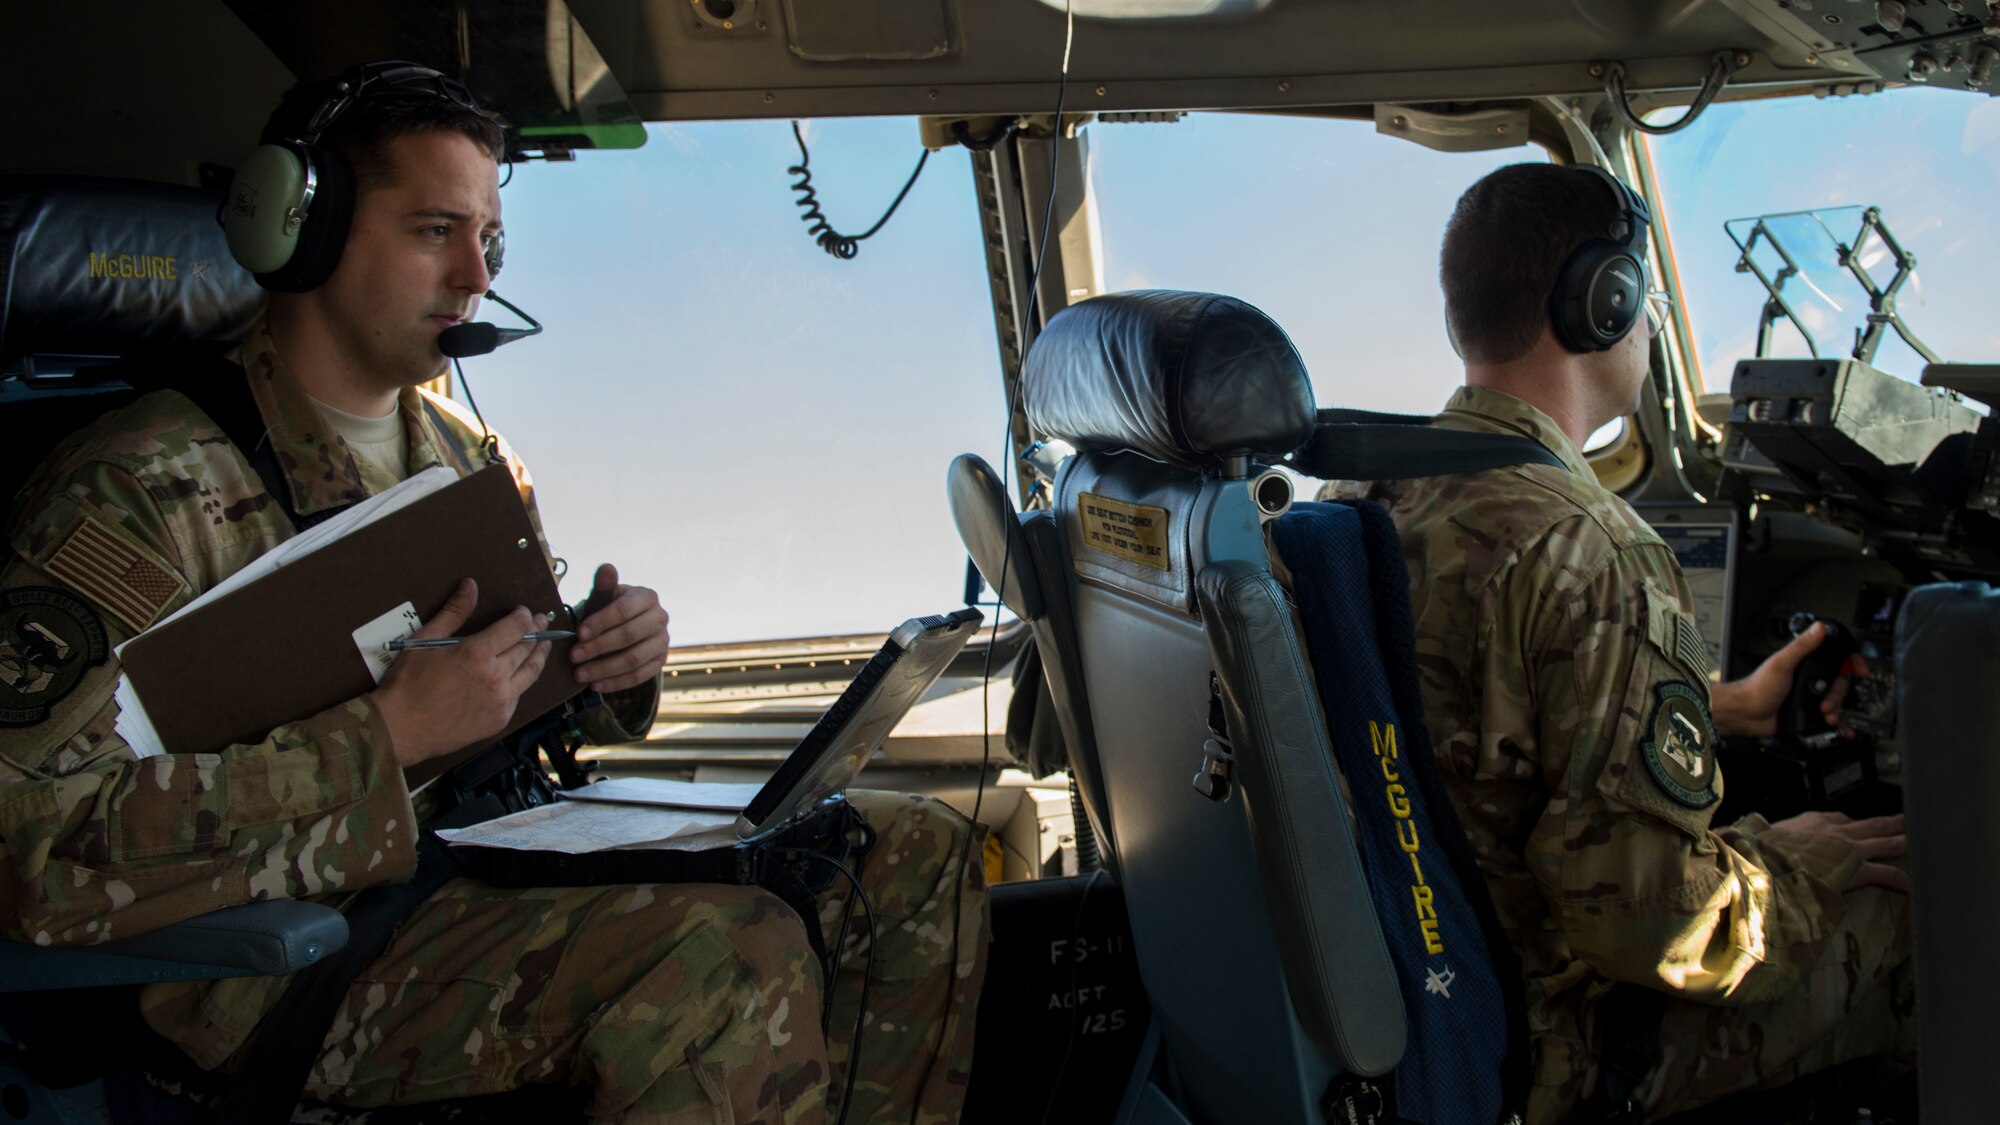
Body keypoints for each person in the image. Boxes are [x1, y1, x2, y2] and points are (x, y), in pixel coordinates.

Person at [0, 63, 987, 1123]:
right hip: (279, 954)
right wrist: (379, 740)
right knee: (719, 962)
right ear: (307, 228)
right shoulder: (136, 491)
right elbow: (31, 848)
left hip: (464, 869)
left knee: (913, 856)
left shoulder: (464, 456)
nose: (476, 275)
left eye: (490, 239)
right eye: (435, 230)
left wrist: (606, 666)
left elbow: (504, 691)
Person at [1319, 162, 1912, 1122]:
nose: (1648, 325)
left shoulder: (1368, 496)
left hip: (1403, 1002)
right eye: (1644, 300)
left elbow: (1463, 717)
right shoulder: (1593, 546)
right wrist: (1796, 864)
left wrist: (1725, 706)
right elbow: (1656, 926)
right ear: (1605, 301)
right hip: (1548, 1049)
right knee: (1920, 920)